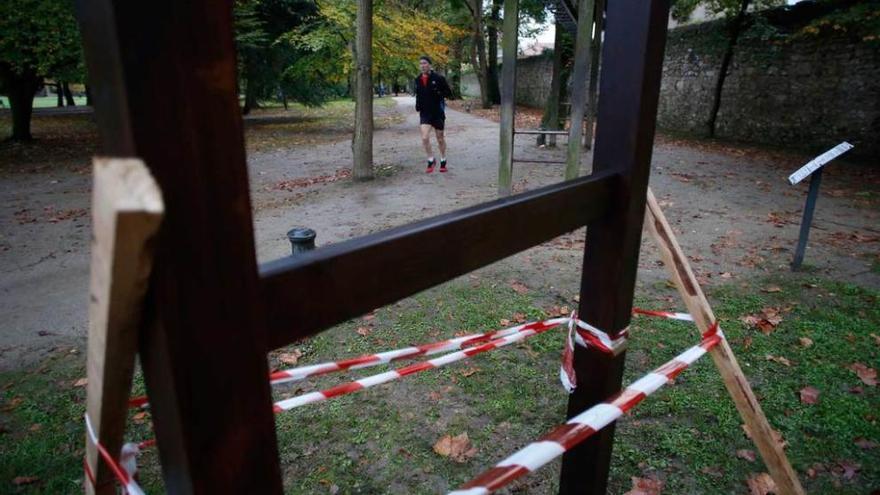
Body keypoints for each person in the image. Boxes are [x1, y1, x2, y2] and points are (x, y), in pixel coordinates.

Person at [414, 55, 452, 173]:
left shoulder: (439, 78)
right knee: (425, 138)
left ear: (429, 65)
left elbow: (448, 93)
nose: (423, 65)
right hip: (425, 113)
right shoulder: (417, 79)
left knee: (440, 138)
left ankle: (443, 159)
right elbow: (418, 94)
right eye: (421, 64)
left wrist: (438, 92)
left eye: (425, 63)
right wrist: (418, 106)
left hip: (437, 112)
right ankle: (431, 159)